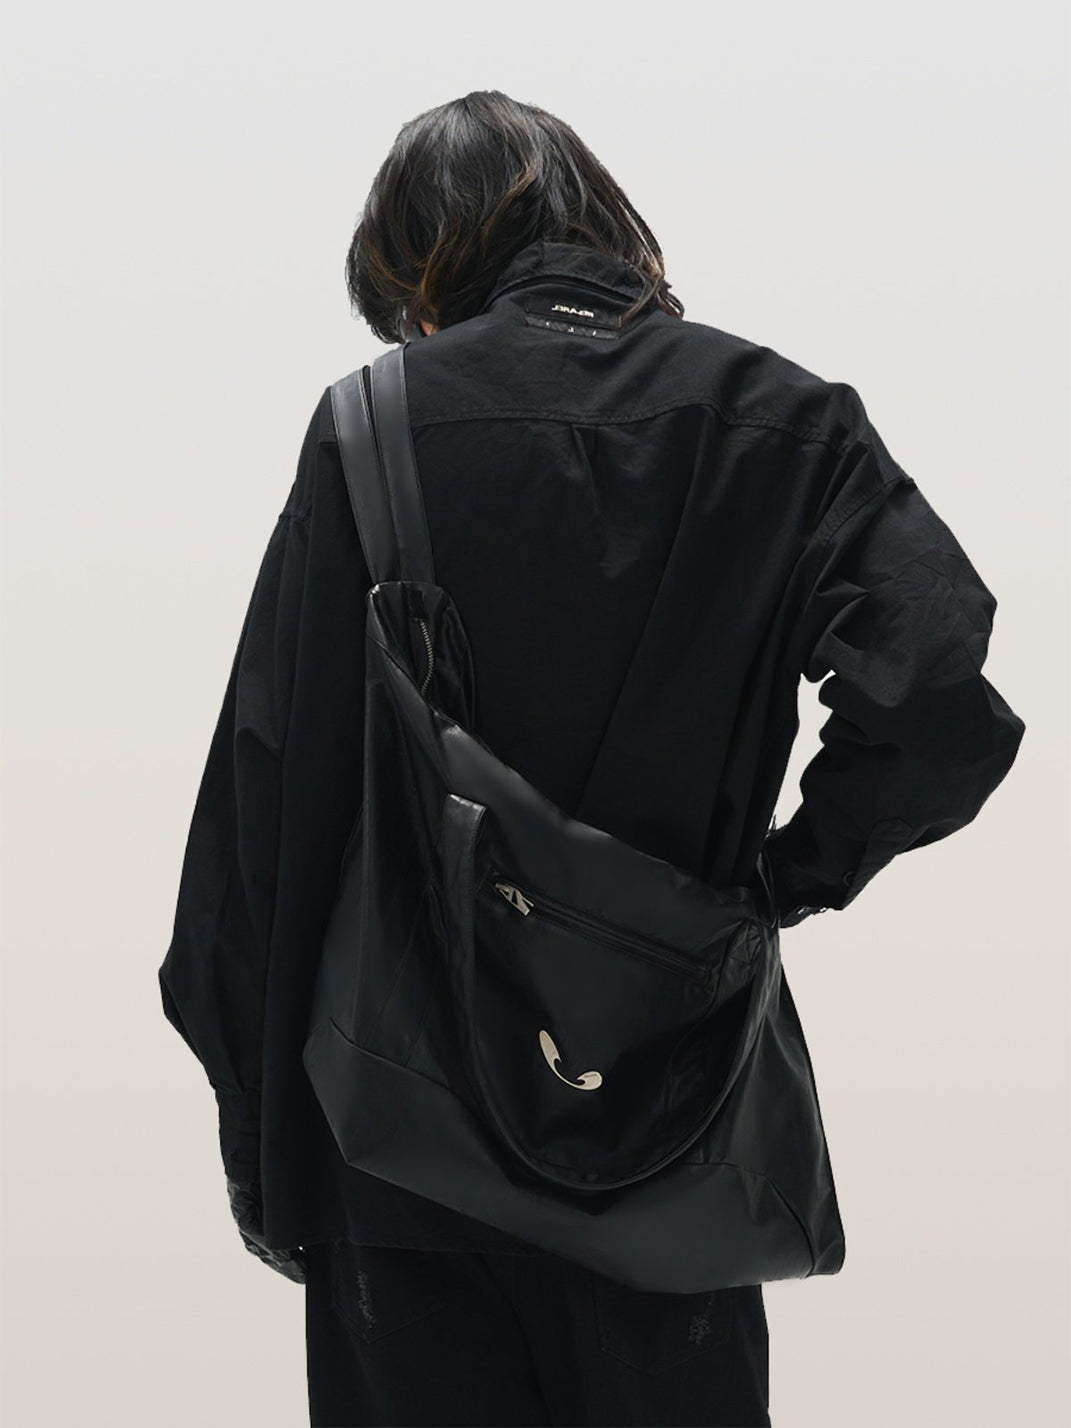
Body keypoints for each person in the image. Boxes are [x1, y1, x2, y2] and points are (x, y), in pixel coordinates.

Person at [157, 90, 1026, 1428]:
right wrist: (781, 882)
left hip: (398, 1151)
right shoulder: (786, 421)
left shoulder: (373, 427)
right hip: (672, 1145)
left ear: (420, 275)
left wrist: (269, 1151)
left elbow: (265, 815)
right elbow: (942, 709)